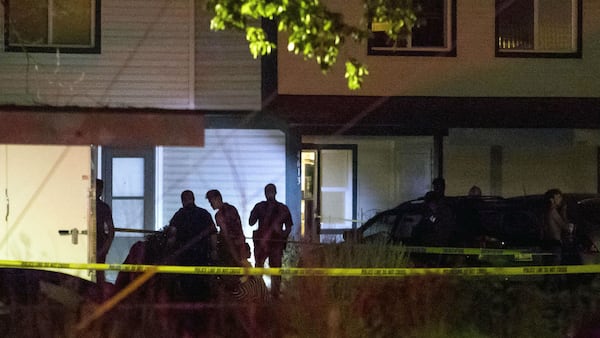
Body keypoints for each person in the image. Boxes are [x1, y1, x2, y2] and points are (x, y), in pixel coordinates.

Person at [168, 190, 218, 301]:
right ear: (193, 199)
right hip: (203, 258)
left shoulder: (178, 216)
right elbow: (213, 234)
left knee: (186, 292)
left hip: (185, 260)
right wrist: (214, 251)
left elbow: (172, 236)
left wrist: (171, 252)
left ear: (182, 201)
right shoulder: (204, 214)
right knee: (203, 290)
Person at [249, 183, 293, 298]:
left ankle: (272, 294)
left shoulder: (281, 208)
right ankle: (261, 293)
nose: (269, 194)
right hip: (264, 243)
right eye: (268, 192)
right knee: (261, 269)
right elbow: (251, 222)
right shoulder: (261, 207)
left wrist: (282, 235)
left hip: (274, 244)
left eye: (271, 192)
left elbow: (288, 227)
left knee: (274, 270)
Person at [206, 189, 247, 266]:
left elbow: (227, 236)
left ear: (218, 198)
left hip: (230, 251)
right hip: (238, 247)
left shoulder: (220, 215)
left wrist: (236, 258)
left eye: (211, 201)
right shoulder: (232, 209)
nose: (211, 204)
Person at [541, 188, 574, 265]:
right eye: (558, 197)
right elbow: (566, 227)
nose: (561, 200)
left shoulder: (546, 212)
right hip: (555, 243)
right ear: (552, 200)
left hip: (547, 243)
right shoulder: (553, 212)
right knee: (556, 266)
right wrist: (564, 212)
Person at [95, 179, 115, 285]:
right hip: (88, 242)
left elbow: (111, 230)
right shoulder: (85, 206)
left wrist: (105, 248)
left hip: (99, 242)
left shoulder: (103, 208)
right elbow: (111, 230)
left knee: (99, 274)